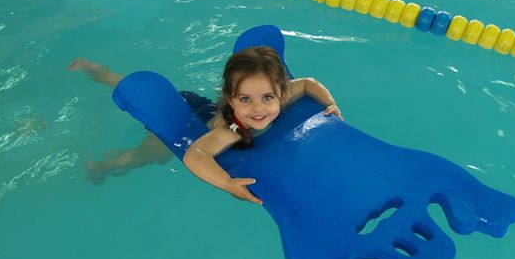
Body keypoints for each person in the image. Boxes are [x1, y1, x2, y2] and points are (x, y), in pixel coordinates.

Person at [70, 46, 342, 205]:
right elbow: (195, 155)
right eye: (245, 99)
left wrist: (331, 104)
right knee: (147, 155)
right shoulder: (234, 129)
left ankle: (99, 72)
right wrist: (226, 182)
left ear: (280, 93)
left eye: (267, 98)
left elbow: (308, 83)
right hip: (188, 124)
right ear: (232, 98)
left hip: (198, 103)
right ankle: (103, 167)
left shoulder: (282, 96)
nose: (259, 109)